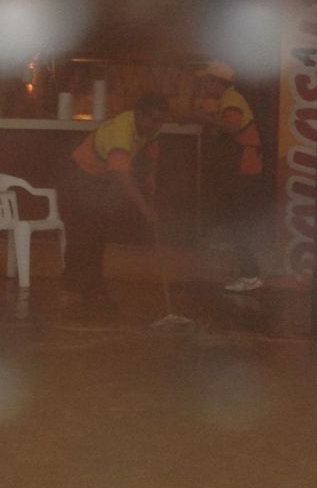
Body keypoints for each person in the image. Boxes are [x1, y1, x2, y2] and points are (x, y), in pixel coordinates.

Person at [60, 91, 170, 306]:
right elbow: (121, 176)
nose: (157, 126)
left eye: (161, 121)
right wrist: (145, 209)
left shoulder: (149, 129)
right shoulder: (121, 131)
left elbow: (152, 148)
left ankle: (94, 288)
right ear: (139, 115)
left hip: (101, 178)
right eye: (154, 120)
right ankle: (71, 289)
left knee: (99, 233)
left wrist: (151, 175)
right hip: (81, 174)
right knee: (82, 233)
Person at [192, 61, 264, 292]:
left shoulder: (232, 100)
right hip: (241, 166)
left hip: (244, 166)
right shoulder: (226, 100)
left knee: (238, 221)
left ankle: (251, 274)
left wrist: (200, 117)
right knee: (236, 219)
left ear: (218, 82)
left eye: (207, 80)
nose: (204, 84)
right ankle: (247, 270)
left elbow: (232, 128)